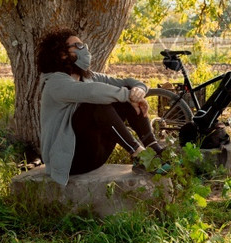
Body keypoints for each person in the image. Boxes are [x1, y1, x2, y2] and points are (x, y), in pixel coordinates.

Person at [36, 28, 168, 186]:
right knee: (98, 103)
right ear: (62, 54)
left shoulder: (88, 77)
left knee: (122, 95)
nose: (85, 49)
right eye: (77, 46)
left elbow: (127, 82)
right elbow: (92, 92)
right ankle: (138, 154)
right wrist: (127, 95)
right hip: (69, 161)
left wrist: (138, 91)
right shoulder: (55, 83)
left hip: (94, 155)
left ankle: (154, 148)